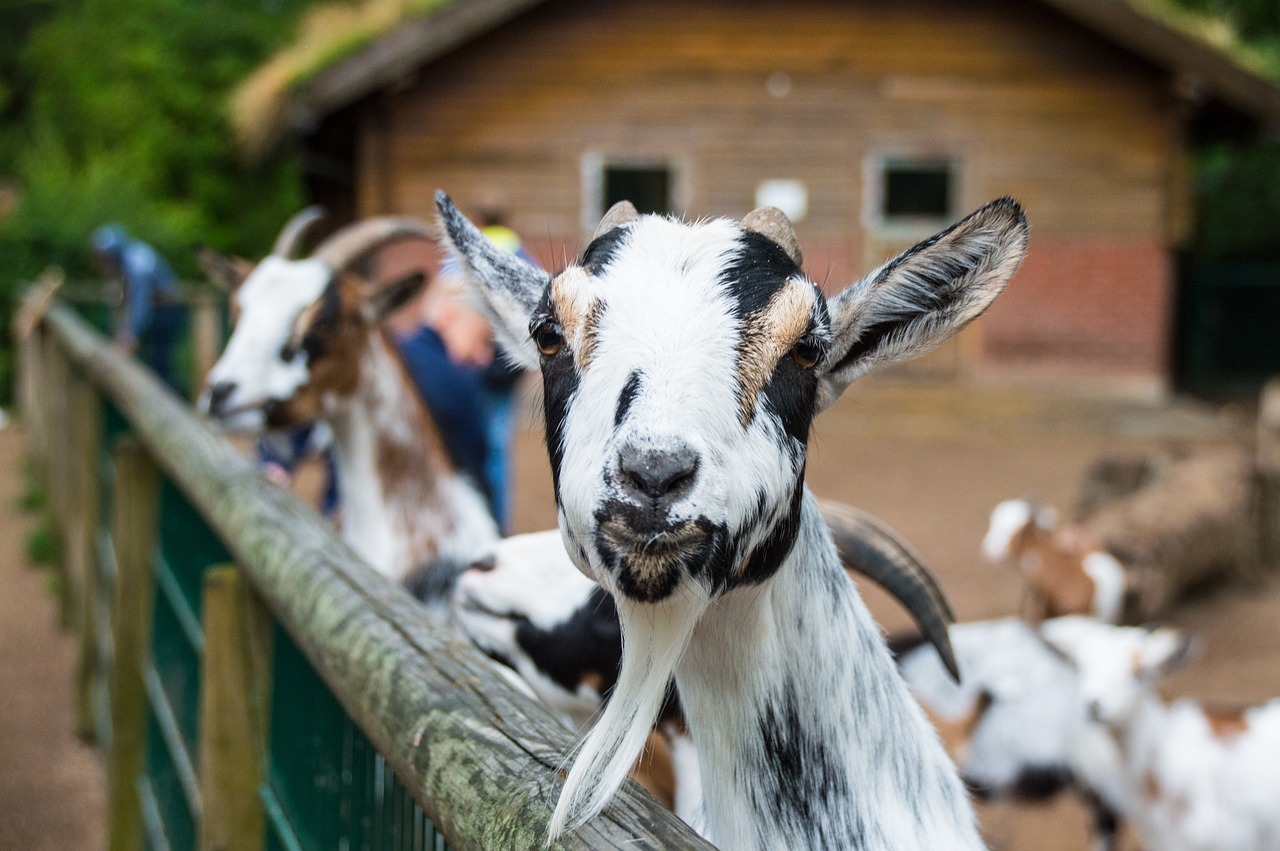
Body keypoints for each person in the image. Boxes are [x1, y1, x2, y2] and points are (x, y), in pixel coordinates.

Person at [432, 207, 537, 533]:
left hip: (463, 364)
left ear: (478, 220)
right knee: (496, 448)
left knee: (464, 444)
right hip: (501, 369)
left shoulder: (463, 248)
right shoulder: (518, 251)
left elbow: (443, 299)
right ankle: (496, 523)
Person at [90, 224, 187, 391]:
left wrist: (130, 333)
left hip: (168, 312)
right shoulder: (129, 257)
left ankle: (176, 403)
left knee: (159, 362)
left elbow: (141, 298)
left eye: (106, 255)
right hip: (156, 312)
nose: (105, 259)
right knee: (155, 362)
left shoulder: (137, 259)